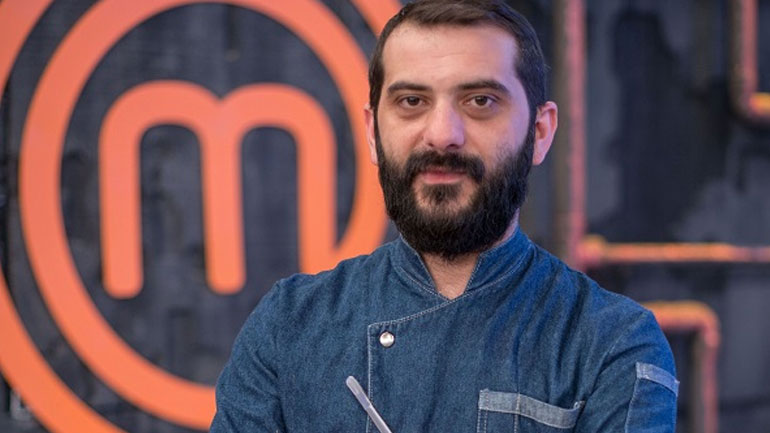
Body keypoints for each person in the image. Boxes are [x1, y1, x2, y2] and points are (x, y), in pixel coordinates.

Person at [210, 0, 678, 431]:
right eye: (412, 102)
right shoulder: (288, 324)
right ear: (373, 132)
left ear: (539, 131)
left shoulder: (611, 343)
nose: (442, 134)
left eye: (480, 101)